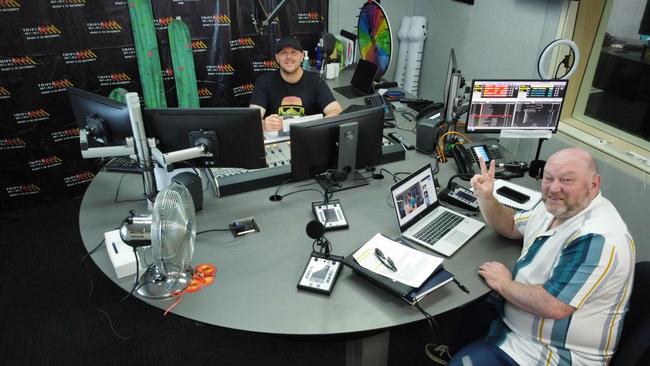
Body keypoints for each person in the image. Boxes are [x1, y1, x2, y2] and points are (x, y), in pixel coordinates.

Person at [449, 148, 635, 366]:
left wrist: (504, 284)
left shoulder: (598, 238)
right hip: (518, 326)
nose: (554, 188)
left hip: (554, 352)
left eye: (567, 180)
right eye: (548, 178)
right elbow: (510, 225)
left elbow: (554, 305)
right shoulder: (557, 206)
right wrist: (486, 196)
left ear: (594, 184)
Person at [249, 36, 342, 132]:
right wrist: (263, 124)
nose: (289, 57)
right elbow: (252, 120)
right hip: (277, 141)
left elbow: (336, 110)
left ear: (301, 57)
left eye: (294, 52)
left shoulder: (315, 80)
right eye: (284, 53)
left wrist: (318, 126)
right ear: (277, 58)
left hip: (309, 135)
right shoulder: (264, 81)